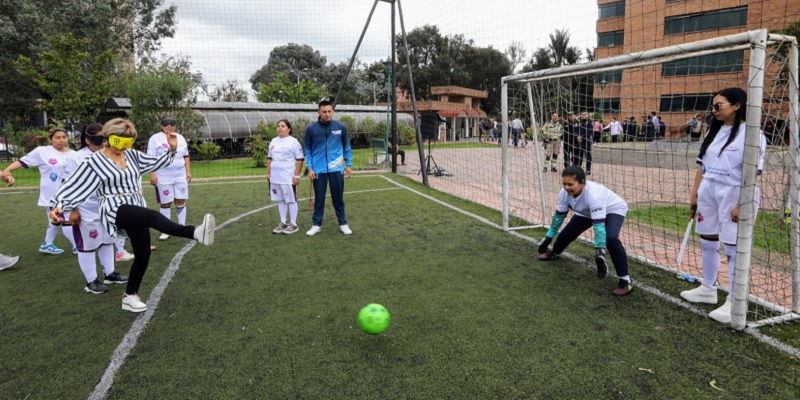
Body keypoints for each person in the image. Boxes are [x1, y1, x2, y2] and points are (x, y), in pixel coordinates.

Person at [50, 118, 215, 313]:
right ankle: (195, 232)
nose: (124, 146)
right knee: (153, 217)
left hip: (135, 204)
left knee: (143, 253)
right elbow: (74, 185)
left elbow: (157, 162)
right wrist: (58, 206)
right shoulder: (94, 161)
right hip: (113, 207)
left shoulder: (133, 156)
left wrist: (171, 149)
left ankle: (130, 296)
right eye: (120, 140)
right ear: (109, 138)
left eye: (128, 141)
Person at [680, 87, 767, 324]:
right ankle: (708, 288)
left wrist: (742, 203)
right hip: (709, 190)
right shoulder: (713, 131)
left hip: (735, 193)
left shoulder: (752, 134)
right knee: (707, 239)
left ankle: (735, 300)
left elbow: (752, 173)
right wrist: (695, 194)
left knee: (733, 248)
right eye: (713, 106)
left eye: (719, 105)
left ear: (737, 105)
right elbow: (701, 164)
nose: (714, 110)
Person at [537, 166, 632, 296]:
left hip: (612, 210)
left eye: (570, 184)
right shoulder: (564, 193)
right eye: (564, 183)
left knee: (610, 238)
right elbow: (558, 218)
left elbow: (599, 227)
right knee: (566, 234)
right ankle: (554, 252)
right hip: (586, 212)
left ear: (582, 182)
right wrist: (547, 239)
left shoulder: (594, 195)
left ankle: (625, 280)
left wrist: (600, 253)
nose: (566, 187)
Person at [63, 123, 128, 294]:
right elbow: (69, 186)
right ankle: (91, 281)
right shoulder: (75, 159)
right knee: (88, 245)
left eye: (105, 138)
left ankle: (110, 273)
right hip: (86, 208)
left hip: (108, 207)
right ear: (87, 139)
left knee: (108, 241)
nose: (102, 142)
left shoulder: (110, 155)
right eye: (98, 139)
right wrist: (73, 209)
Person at [0, 128, 76, 254]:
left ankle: (47, 244)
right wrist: (7, 171)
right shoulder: (42, 151)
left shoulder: (73, 153)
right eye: (57, 137)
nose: (61, 140)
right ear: (50, 140)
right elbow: (22, 161)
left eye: (64, 137)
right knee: (65, 219)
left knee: (56, 220)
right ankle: (77, 246)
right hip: (52, 194)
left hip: (70, 193)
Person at [304, 100, 353, 236]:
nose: (327, 114)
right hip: (319, 170)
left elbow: (346, 147)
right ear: (318, 112)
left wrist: (348, 165)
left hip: (337, 168)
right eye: (324, 112)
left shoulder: (340, 127)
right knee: (319, 198)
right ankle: (316, 224)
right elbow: (307, 149)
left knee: (338, 198)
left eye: (329, 111)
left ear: (333, 111)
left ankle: (343, 223)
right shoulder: (311, 129)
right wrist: (310, 168)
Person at [148, 117, 191, 241]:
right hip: (163, 176)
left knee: (180, 200)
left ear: (175, 126)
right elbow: (151, 158)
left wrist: (188, 171)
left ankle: (181, 227)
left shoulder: (180, 138)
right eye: (165, 124)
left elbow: (186, 156)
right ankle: (165, 230)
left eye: (171, 124)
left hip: (180, 175)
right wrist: (152, 174)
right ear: (161, 126)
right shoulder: (155, 139)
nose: (169, 126)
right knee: (165, 202)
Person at [267, 119, 304, 235]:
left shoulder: (293, 142)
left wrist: (296, 176)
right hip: (275, 177)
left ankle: (293, 224)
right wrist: (268, 173)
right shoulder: (273, 141)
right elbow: (269, 158)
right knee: (280, 199)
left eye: (283, 126)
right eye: (278, 126)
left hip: (288, 177)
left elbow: (300, 160)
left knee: (291, 199)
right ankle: (283, 222)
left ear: (289, 129)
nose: (280, 128)